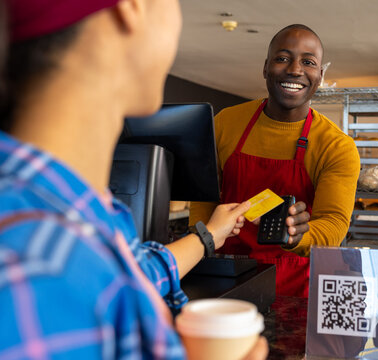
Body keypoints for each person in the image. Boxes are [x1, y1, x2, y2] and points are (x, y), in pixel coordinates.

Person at [0, 0, 267, 358]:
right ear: (132, 8)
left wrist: (209, 235)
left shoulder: (74, 221)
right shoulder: (41, 265)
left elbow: (131, 273)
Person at [189, 24, 361, 297]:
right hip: (225, 278)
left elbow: (333, 225)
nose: (295, 69)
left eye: (308, 62)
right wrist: (201, 243)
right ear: (266, 67)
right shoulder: (225, 123)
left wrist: (296, 235)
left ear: (320, 75)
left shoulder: (336, 146)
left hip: (294, 289)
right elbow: (203, 198)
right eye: (282, 58)